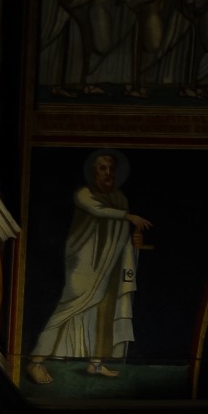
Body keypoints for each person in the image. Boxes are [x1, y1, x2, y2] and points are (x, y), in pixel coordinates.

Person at [27, 150, 151, 384]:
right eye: (102, 168)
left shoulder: (120, 198)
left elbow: (120, 234)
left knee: (103, 311)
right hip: (83, 264)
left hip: (109, 264)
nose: (107, 173)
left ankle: (95, 363)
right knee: (69, 307)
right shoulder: (84, 194)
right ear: (94, 172)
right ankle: (36, 361)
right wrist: (129, 217)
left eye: (111, 169)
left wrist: (133, 245)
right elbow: (98, 210)